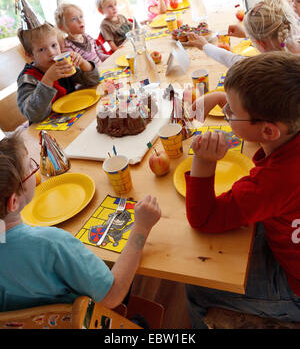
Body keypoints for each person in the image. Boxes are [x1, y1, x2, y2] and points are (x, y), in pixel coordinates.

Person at [184, 52, 300, 328]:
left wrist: (202, 160)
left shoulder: (273, 181)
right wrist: (219, 98)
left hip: (294, 288)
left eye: (231, 113)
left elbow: (203, 219)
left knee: (196, 287)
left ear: (269, 132)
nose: (226, 114)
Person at [0, 128, 161, 312]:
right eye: (30, 166)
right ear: (13, 202)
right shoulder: (51, 244)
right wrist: (141, 227)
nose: (34, 169)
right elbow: (113, 295)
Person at [17, 23, 100, 124]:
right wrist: (48, 79)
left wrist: (82, 62)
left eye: (54, 45)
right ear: (30, 55)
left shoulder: (62, 64)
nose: (51, 53)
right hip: (47, 129)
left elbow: (93, 81)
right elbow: (34, 114)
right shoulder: (28, 78)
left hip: (75, 116)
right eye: (42, 49)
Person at [187, 0, 300, 69]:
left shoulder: (263, 69)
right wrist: (249, 34)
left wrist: (205, 45)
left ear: (260, 43)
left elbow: (231, 59)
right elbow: (277, 39)